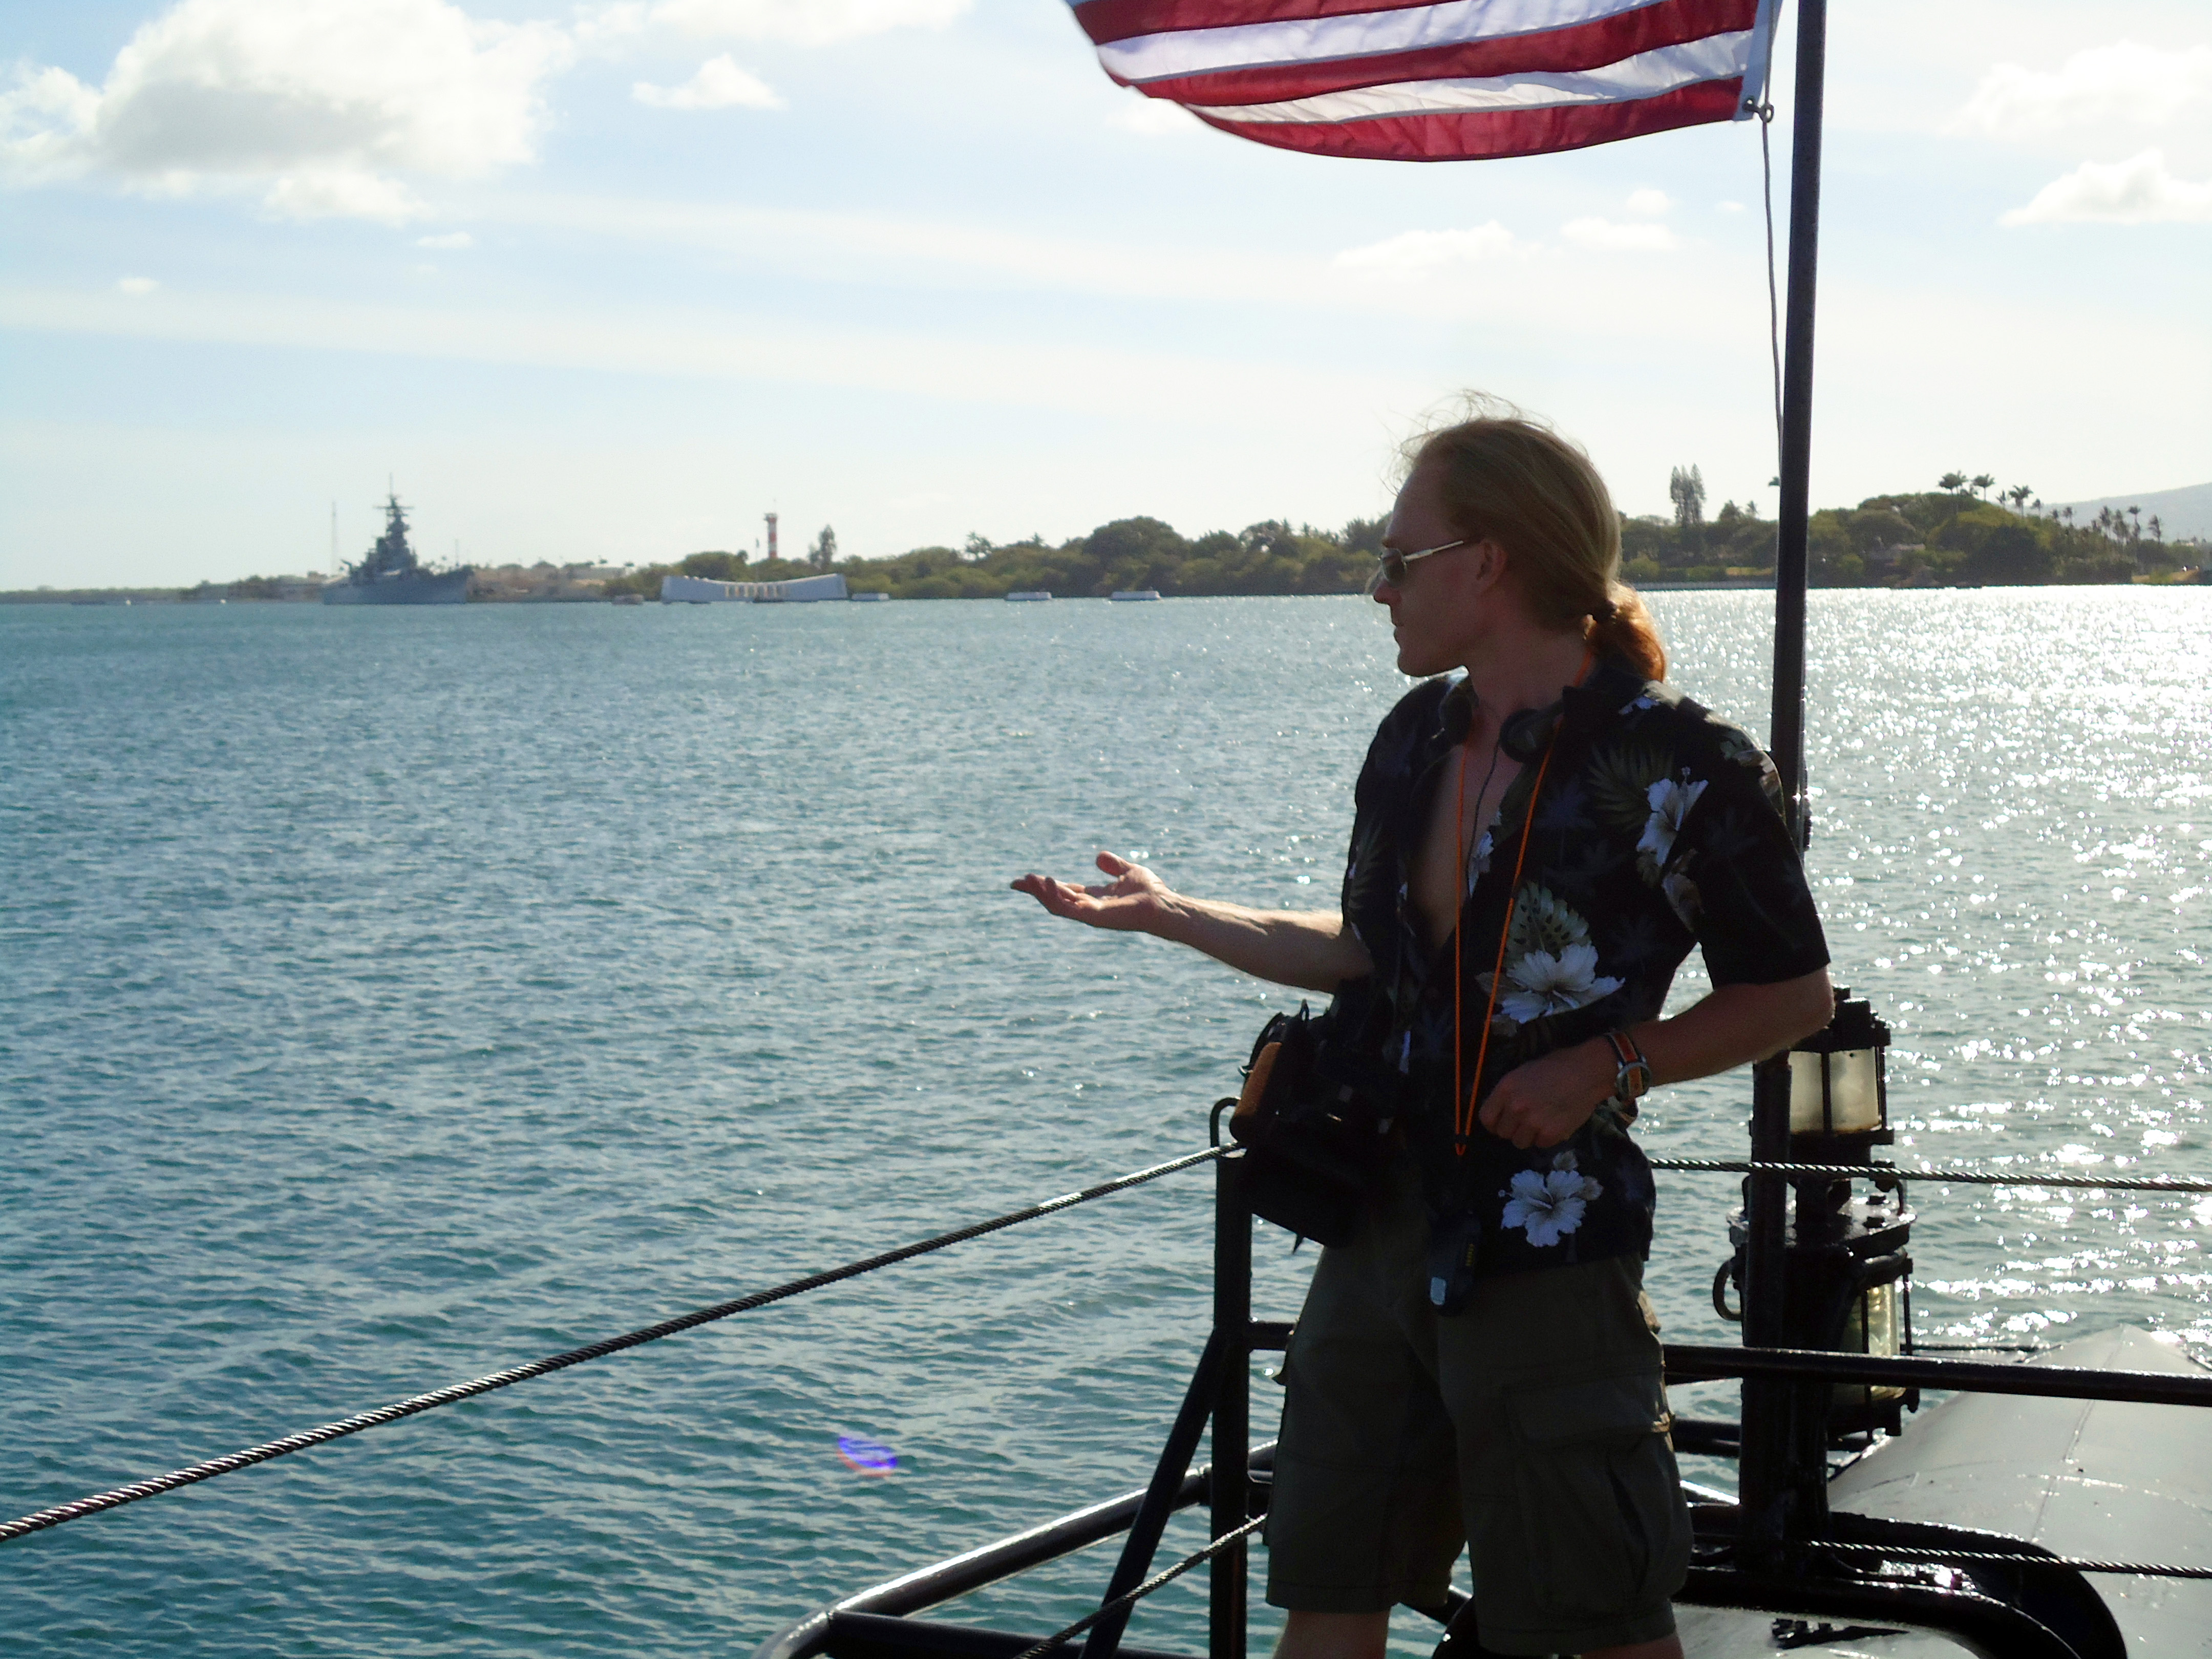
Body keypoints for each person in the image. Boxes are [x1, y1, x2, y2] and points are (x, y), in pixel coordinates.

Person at [1012, 401, 1834, 1659]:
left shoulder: (1691, 764)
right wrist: (1174, 915)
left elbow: (1792, 999)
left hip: (1544, 1244)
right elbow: (1367, 953)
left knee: (1597, 1612)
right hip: (1378, 1221)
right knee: (1329, 1580)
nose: (1378, 589)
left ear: (1489, 562)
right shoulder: (1414, 740)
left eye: (1398, 561)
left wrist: (1608, 1064)